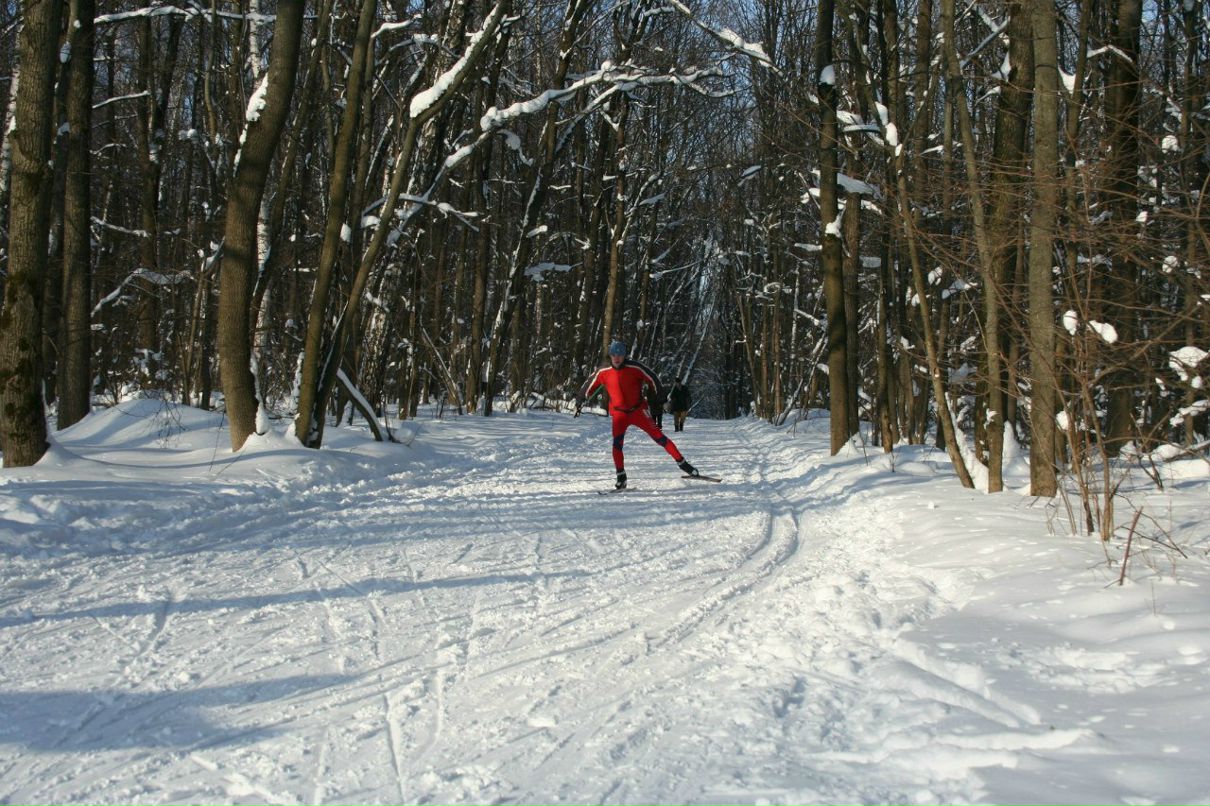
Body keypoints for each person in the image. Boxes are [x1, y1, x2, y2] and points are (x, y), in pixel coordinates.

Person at [576, 340, 698, 489]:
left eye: (620, 355)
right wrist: (580, 400)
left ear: (624, 355)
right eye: (614, 355)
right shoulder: (603, 371)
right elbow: (589, 384)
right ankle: (621, 476)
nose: (617, 358)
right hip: (619, 414)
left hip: (638, 411)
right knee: (617, 444)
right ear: (610, 355)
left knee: (659, 438)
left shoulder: (635, 367)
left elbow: (653, 378)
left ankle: (683, 464)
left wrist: (661, 398)